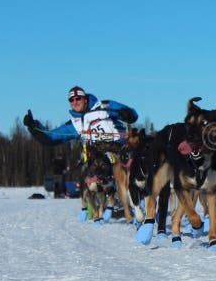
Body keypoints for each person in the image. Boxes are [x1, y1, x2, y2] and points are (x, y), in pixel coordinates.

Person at [23, 86, 138, 223]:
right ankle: (108, 199)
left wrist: (127, 114)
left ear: (85, 99)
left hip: (119, 146)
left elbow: (132, 116)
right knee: (92, 171)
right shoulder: (76, 123)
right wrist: (33, 126)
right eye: (72, 100)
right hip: (98, 156)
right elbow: (51, 137)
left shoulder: (104, 106)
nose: (75, 102)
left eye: (78, 98)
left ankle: (135, 198)